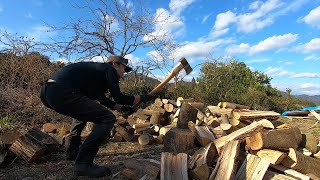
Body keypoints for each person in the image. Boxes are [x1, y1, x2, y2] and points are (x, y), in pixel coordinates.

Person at [40, 55, 152, 178]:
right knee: (107, 118)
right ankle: (83, 164)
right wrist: (141, 98)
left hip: (48, 93)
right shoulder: (109, 69)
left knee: (82, 115)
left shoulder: (97, 74)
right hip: (61, 91)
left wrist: (124, 108)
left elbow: (104, 101)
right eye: (124, 68)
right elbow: (119, 97)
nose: (124, 72)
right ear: (115, 64)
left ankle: (72, 153)